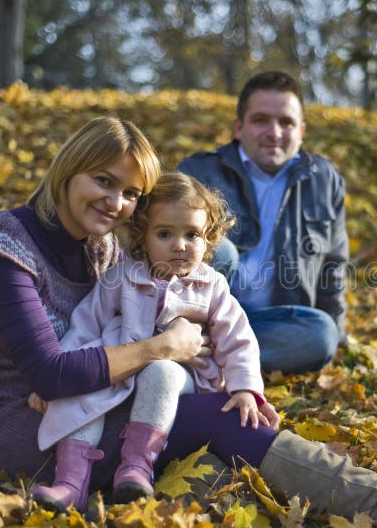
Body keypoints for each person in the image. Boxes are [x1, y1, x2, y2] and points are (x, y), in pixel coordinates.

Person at [0, 114, 377, 527]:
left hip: (92, 401)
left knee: (217, 455)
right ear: (68, 170)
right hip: (11, 425)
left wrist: (216, 365)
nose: (116, 202)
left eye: (130, 193)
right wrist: (164, 347)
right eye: (103, 181)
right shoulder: (2, 246)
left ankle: (336, 502)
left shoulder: (99, 249)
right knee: (225, 422)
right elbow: (50, 375)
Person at [31, 172, 277, 510]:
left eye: (192, 234)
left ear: (209, 239)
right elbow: (85, 325)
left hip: (182, 378)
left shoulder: (211, 286)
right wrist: (62, 381)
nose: (179, 245)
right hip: (121, 367)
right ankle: (70, 483)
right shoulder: (121, 277)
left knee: (160, 371)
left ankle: (136, 467)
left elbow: (239, 340)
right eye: (164, 234)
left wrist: (246, 388)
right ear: (142, 237)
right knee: (84, 385)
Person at [177, 70, 348, 375]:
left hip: (268, 325)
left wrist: (337, 337)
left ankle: (205, 360)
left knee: (322, 333)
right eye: (261, 120)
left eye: (286, 122)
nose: (274, 132)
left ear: (301, 130)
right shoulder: (198, 172)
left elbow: (332, 268)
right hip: (199, 317)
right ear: (239, 127)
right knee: (221, 250)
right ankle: (200, 351)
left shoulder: (325, 180)